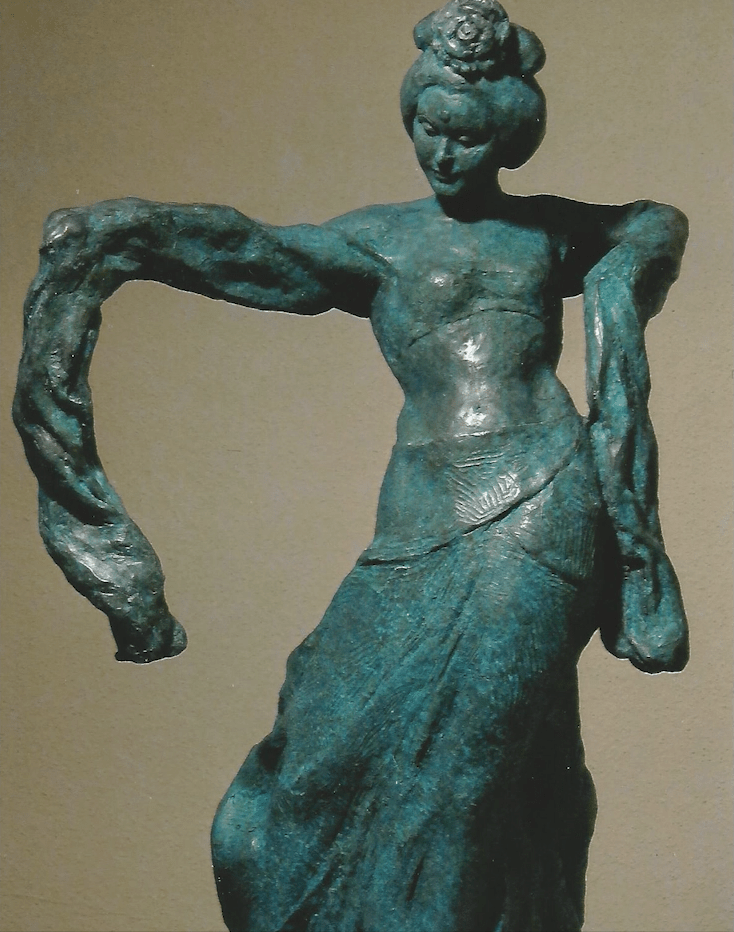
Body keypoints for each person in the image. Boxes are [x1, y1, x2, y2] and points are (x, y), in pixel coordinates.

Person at [13, 2, 689, 929]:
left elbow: (656, 223)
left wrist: (617, 284)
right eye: (427, 128)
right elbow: (247, 250)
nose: (442, 152)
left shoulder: (546, 232)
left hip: (538, 502)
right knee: (309, 760)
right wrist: (129, 234)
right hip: (420, 517)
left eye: (465, 136)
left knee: (459, 773)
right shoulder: (380, 239)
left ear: (507, 138)